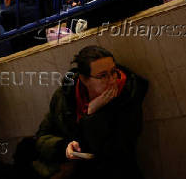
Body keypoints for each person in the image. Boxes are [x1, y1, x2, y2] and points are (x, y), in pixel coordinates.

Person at [18, 46, 148, 179]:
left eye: (113, 72)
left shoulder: (127, 95)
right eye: (103, 76)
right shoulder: (66, 95)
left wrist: (92, 114)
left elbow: (115, 152)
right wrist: (64, 147)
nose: (112, 80)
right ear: (84, 79)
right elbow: (42, 136)